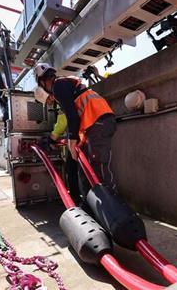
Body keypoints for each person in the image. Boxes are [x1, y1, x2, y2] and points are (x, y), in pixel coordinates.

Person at [34, 63, 117, 194]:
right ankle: (91, 203)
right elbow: (73, 116)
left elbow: (71, 116)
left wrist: (71, 142)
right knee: (87, 168)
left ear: (43, 82)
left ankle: (111, 206)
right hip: (97, 122)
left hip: (98, 121)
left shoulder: (58, 86)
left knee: (98, 166)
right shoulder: (64, 85)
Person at [34, 86, 81, 204]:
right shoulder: (64, 95)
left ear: (48, 96)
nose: (49, 104)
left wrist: (52, 138)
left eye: (47, 101)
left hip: (79, 136)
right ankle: (76, 198)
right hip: (77, 135)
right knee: (72, 169)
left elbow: (63, 121)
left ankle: (76, 200)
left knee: (72, 169)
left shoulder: (60, 98)